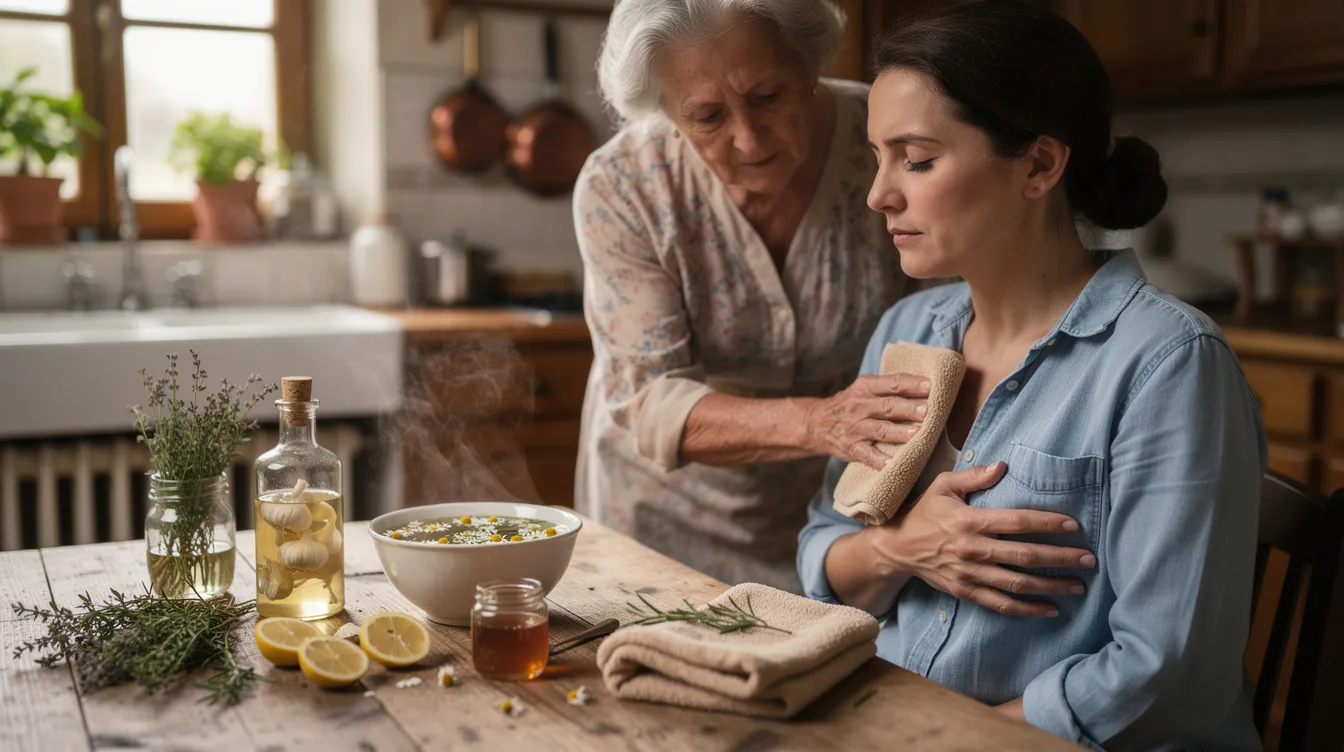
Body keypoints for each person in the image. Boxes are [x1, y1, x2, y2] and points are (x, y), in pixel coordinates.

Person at [796, 2, 1265, 749]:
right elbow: (825, 547)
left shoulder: (1168, 365)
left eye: (915, 159)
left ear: (1040, 165)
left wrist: (945, 738)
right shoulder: (906, 332)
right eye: (878, 157)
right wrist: (898, 547)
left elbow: (1168, 674)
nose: (878, 193)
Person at [574, 0, 1024, 590]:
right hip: (662, 520)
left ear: (809, 63)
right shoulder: (624, 185)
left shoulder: (893, 142)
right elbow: (649, 403)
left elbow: (961, 321)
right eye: (707, 116)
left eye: (768, 96)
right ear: (665, 115)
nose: (748, 137)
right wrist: (822, 422)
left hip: (841, 515)